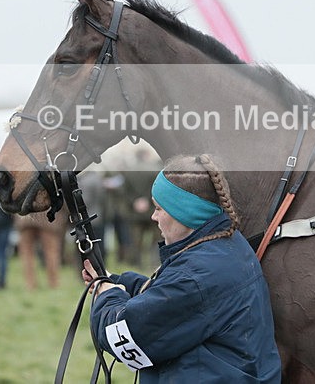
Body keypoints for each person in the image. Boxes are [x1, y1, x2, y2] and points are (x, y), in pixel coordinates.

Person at [81, 154, 281, 383]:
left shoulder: (196, 275)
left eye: (159, 208)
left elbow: (128, 336)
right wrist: (118, 282)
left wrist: (106, 294)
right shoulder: (226, 245)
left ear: (184, 212)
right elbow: (171, 300)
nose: (153, 216)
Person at [15, 213, 68, 290]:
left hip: (25, 218)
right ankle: (54, 283)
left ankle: (30, 284)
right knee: (51, 252)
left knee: (27, 253)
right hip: (47, 218)